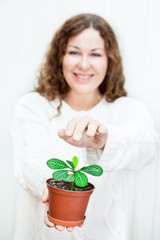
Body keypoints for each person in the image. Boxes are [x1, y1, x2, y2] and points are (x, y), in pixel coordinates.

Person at [12, 13, 159, 240]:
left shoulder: (126, 109)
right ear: (59, 56)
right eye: (74, 52)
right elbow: (31, 160)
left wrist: (104, 139)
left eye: (95, 54)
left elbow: (147, 146)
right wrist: (51, 185)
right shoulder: (34, 105)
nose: (83, 64)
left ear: (110, 60)